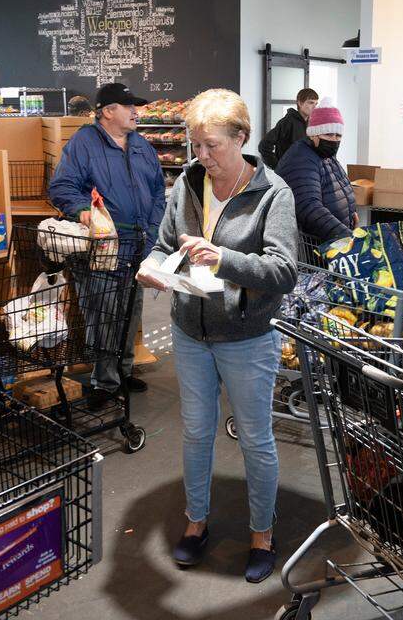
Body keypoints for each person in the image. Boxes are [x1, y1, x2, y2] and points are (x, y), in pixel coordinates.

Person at [136, 88, 296, 584]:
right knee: (197, 432)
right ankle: (196, 522)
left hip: (248, 337)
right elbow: (165, 245)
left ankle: (262, 535)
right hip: (190, 330)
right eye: (195, 145)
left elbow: (284, 269)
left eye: (212, 146)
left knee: (254, 438)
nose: (202, 157)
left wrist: (223, 258)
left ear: (241, 139)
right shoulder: (187, 183)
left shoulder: (274, 193)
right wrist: (152, 266)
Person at [48, 82, 165, 401]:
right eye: (129, 107)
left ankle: (123, 372)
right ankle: (104, 381)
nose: (135, 112)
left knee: (130, 311)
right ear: (108, 112)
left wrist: (153, 229)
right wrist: (83, 211)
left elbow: (157, 190)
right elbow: (62, 187)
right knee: (103, 313)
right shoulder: (84, 143)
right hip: (103, 246)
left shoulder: (140, 144)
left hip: (138, 244)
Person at [275, 98, 357, 243]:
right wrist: (348, 237)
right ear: (313, 134)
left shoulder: (327, 156)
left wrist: (351, 219)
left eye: (338, 136)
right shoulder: (300, 158)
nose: (334, 140)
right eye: (328, 134)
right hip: (314, 250)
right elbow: (309, 208)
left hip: (334, 245)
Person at [258, 87, 318, 169]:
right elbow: (264, 146)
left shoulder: (310, 124)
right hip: (288, 175)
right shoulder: (287, 122)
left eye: (316, 104)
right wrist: (278, 167)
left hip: (305, 173)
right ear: (300, 103)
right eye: (311, 103)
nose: (314, 107)